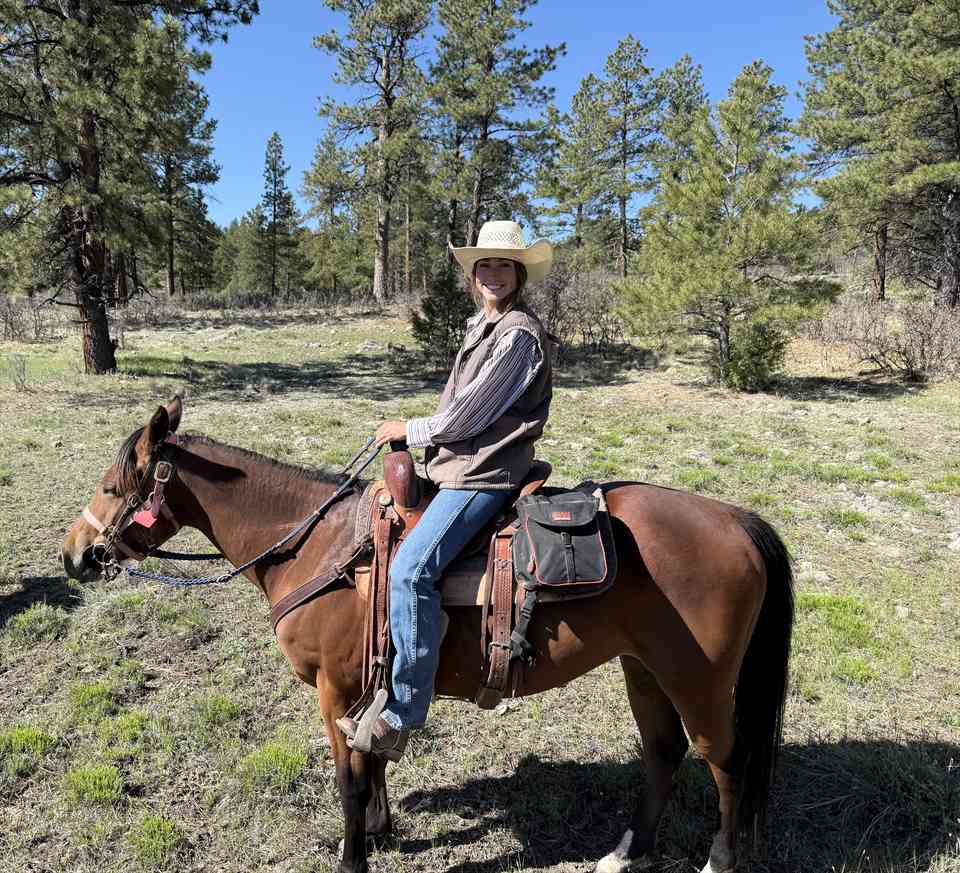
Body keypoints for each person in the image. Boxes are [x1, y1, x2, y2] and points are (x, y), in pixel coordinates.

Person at [337, 220, 555, 760]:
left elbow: (467, 415)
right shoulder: (481, 326)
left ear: (519, 272)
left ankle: (403, 712)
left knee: (412, 569)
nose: (493, 274)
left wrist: (407, 430)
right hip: (455, 466)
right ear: (473, 273)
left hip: (485, 472)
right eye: (485, 265)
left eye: (504, 265)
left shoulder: (518, 336)